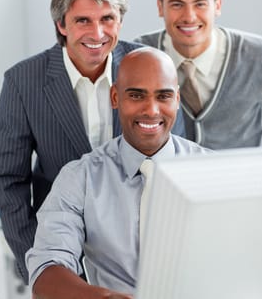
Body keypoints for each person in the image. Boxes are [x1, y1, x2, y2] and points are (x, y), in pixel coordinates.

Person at [0, 0, 150, 285]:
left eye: (107, 19)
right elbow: (7, 180)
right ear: (61, 24)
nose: (97, 34)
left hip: (139, 251)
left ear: (120, 20)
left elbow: (169, 163)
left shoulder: (148, 66)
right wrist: (38, 264)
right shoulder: (22, 81)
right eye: (83, 20)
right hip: (60, 247)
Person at [26, 47, 208, 299]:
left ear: (177, 99)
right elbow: (46, 272)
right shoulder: (81, 178)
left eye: (163, 96)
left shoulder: (214, 172)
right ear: (114, 98)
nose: (152, 110)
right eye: (136, 95)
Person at [134, 0, 262, 150]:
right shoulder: (138, 55)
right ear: (161, 7)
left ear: (217, 6)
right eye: (177, 4)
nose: (189, 16)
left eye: (200, 4)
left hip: (245, 176)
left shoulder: (260, 54)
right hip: (170, 176)